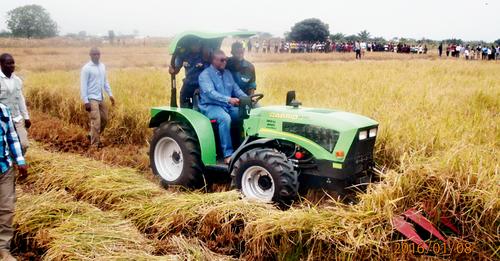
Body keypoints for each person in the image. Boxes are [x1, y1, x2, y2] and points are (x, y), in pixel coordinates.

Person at [198, 50, 248, 164]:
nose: (225, 62)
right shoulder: (205, 75)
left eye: (226, 59)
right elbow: (210, 93)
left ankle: (243, 149)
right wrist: (229, 99)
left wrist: (247, 99)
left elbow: (236, 89)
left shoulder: (227, 74)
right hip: (210, 106)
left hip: (226, 106)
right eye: (222, 60)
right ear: (213, 60)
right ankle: (228, 155)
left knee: (245, 115)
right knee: (225, 118)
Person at [0, 103, 28, 261]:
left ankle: (3, 250)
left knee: (6, 208)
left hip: (4, 167)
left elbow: (11, 136)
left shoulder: (3, 110)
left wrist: (19, 160)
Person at [80, 47, 115, 148]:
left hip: (101, 97)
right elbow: (83, 85)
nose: (96, 56)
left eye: (98, 54)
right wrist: (86, 101)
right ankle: (94, 145)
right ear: (90, 55)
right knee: (96, 122)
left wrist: (110, 94)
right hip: (91, 98)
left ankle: (91, 135)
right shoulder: (86, 68)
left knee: (105, 119)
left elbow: (105, 82)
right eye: (94, 54)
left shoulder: (102, 66)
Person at [0, 54, 31, 154]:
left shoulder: (17, 80)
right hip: (2, 119)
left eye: (12, 63)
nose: (11, 65)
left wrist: (26, 117)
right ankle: (10, 166)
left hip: (16, 117)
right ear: (1, 64)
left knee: (24, 144)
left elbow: (20, 99)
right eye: (8, 63)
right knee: (4, 145)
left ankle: (18, 161)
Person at [169, 38, 210, 108]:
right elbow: (176, 69)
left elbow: (209, 73)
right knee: (183, 97)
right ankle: (185, 112)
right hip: (188, 83)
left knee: (197, 103)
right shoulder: (184, 55)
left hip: (200, 85)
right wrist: (172, 70)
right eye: (194, 44)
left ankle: (197, 113)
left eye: (199, 43)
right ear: (189, 45)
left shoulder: (204, 56)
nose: (197, 46)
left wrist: (201, 87)